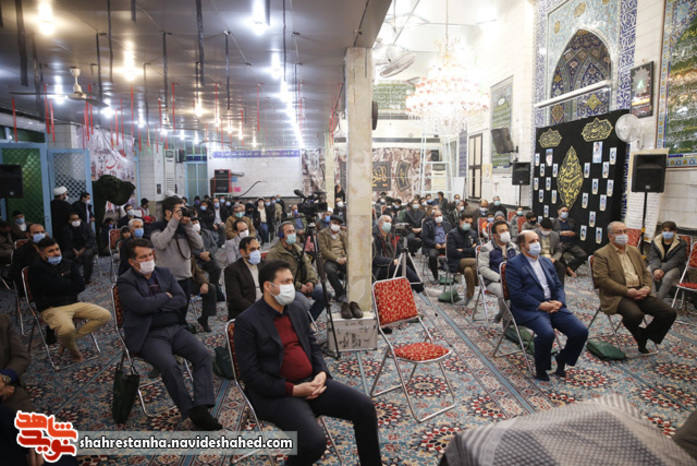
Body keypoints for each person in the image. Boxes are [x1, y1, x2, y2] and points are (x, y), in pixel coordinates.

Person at [234, 260, 382, 466]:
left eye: (291, 281)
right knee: (313, 443)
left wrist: (321, 373)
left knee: (365, 407)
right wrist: (294, 390)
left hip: (312, 383)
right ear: (268, 286)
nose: (290, 286)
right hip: (278, 393)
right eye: (285, 282)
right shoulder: (247, 321)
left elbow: (313, 346)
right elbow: (251, 375)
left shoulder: (296, 308)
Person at [117, 239, 221, 430]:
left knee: (203, 356)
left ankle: (201, 407)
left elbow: (181, 299)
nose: (149, 259)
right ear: (132, 261)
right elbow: (140, 306)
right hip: (149, 334)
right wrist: (165, 296)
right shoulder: (125, 281)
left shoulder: (164, 273)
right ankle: (189, 410)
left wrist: (154, 305)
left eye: (150, 255)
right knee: (170, 366)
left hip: (175, 328)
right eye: (143, 257)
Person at [506, 231, 588, 381]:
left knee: (580, 331)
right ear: (522, 245)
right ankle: (541, 368)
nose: (537, 244)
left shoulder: (546, 261)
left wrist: (560, 302)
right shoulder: (514, 264)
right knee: (547, 334)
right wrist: (540, 305)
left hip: (553, 305)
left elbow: (558, 285)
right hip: (530, 308)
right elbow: (517, 294)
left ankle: (563, 358)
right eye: (532, 241)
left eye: (537, 240)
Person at [593, 221, 677, 353]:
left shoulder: (634, 251)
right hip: (617, 294)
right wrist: (627, 291)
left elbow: (645, 273)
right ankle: (638, 333)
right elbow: (603, 280)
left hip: (640, 290)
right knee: (635, 315)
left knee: (669, 313)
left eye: (625, 231)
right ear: (610, 236)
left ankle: (643, 335)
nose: (623, 234)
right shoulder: (601, 254)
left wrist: (647, 288)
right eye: (619, 232)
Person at [28, 237, 111, 362]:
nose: (56, 253)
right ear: (41, 254)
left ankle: (68, 341)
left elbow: (80, 286)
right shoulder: (36, 269)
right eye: (51, 251)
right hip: (51, 307)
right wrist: (67, 284)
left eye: (57, 249)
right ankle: (74, 352)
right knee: (67, 329)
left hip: (73, 302)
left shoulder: (68, 263)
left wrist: (61, 285)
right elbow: (51, 288)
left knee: (105, 316)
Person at [150, 196, 204, 312]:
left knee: (183, 310)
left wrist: (188, 226)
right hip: (166, 279)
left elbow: (199, 245)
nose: (182, 213)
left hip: (185, 276)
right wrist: (173, 223)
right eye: (180, 210)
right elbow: (160, 243)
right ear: (168, 212)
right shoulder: (157, 226)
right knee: (169, 312)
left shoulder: (184, 227)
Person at [267, 222, 327, 320]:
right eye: (289, 232)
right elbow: (276, 276)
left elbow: (309, 266)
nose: (292, 234)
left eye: (293, 231)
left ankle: (307, 322)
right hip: (288, 287)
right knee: (304, 303)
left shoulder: (298, 248)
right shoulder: (275, 252)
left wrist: (311, 281)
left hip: (305, 283)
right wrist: (299, 286)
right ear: (281, 235)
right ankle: (301, 323)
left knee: (326, 295)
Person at [372, 215, 439, 297]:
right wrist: (392, 261)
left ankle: (417, 286)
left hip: (391, 264)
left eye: (390, 222)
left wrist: (398, 259)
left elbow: (400, 250)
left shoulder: (391, 235)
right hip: (379, 269)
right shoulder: (374, 237)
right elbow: (375, 258)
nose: (389, 224)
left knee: (406, 258)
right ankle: (421, 289)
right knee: (402, 268)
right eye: (387, 221)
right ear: (380, 223)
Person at [478, 220, 519, 324]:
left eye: (506, 230)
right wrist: (500, 278)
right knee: (504, 294)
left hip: (512, 279)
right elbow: (483, 268)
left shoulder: (513, 247)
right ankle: (507, 322)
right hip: (494, 281)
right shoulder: (486, 248)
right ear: (495, 235)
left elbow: (520, 263)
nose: (506, 233)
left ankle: (502, 313)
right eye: (502, 231)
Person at [224, 237, 265, 320]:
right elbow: (236, 299)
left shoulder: (265, 265)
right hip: (245, 312)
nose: (257, 252)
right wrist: (257, 310)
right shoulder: (232, 270)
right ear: (243, 252)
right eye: (252, 249)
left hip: (265, 308)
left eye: (258, 249)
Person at [648, 221, 688, 300]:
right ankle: (653, 298)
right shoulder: (655, 241)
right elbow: (653, 257)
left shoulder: (682, 244)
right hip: (658, 264)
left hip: (675, 266)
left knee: (668, 277)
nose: (667, 233)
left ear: (675, 232)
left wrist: (662, 270)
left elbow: (676, 260)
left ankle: (658, 301)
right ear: (661, 231)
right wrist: (656, 269)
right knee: (647, 273)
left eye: (670, 231)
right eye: (665, 231)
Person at [446, 214, 480, 306]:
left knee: (468, 271)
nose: (468, 225)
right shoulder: (452, 233)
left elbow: (478, 248)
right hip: (457, 261)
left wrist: (464, 250)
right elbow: (452, 252)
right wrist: (470, 250)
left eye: (470, 223)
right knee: (477, 262)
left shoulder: (473, 233)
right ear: (461, 221)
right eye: (466, 222)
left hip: (469, 262)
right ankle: (479, 282)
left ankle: (469, 297)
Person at [191, 217, 225, 302]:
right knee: (197, 273)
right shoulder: (189, 236)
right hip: (196, 260)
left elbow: (214, 245)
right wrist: (200, 255)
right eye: (193, 223)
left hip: (209, 257)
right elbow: (189, 249)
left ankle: (214, 287)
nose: (195, 224)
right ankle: (209, 290)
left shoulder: (206, 233)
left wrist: (208, 252)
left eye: (196, 222)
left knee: (216, 268)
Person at [60, 211, 98, 284]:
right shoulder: (66, 229)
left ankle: (86, 278)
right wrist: (75, 251)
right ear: (69, 221)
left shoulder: (86, 226)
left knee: (86, 255)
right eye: (73, 219)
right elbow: (67, 242)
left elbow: (92, 238)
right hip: (74, 248)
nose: (76, 221)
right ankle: (67, 276)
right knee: (64, 256)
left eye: (77, 219)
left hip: (88, 247)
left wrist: (82, 250)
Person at [317, 215, 348, 303]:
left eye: (338, 224)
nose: (336, 225)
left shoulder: (343, 233)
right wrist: (337, 259)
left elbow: (349, 248)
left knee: (352, 269)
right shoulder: (322, 233)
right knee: (330, 270)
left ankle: (346, 292)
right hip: (330, 259)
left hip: (343, 257)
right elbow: (324, 250)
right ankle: (340, 293)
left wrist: (346, 257)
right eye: (335, 223)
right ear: (330, 222)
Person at [551, 205, 587, 277]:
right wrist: (561, 233)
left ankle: (569, 268)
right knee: (558, 254)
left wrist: (573, 234)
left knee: (583, 255)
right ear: (558, 211)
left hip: (571, 243)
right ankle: (568, 270)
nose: (565, 213)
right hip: (560, 244)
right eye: (563, 211)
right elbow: (550, 234)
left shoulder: (571, 221)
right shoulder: (553, 222)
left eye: (567, 211)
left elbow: (578, 234)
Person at [10, 223, 46, 290]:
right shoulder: (21, 252)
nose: (40, 235)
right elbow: (16, 275)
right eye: (36, 233)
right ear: (28, 235)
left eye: (42, 232)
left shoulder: (50, 247)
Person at [422, 207, 452, 282]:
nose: (439, 217)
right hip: (434, 246)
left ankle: (454, 275)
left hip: (446, 246)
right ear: (433, 217)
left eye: (440, 215)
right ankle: (435, 277)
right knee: (432, 256)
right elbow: (425, 238)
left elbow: (452, 236)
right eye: (437, 216)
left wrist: (447, 243)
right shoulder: (428, 225)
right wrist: (435, 244)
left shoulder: (447, 224)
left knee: (456, 253)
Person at [535, 218, 566, 286]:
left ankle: (559, 288)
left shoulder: (555, 235)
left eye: (548, 230)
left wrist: (554, 259)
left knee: (561, 267)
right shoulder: (533, 234)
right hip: (538, 258)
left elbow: (558, 250)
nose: (546, 231)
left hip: (550, 258)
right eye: (545, 229)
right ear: (540, 227)